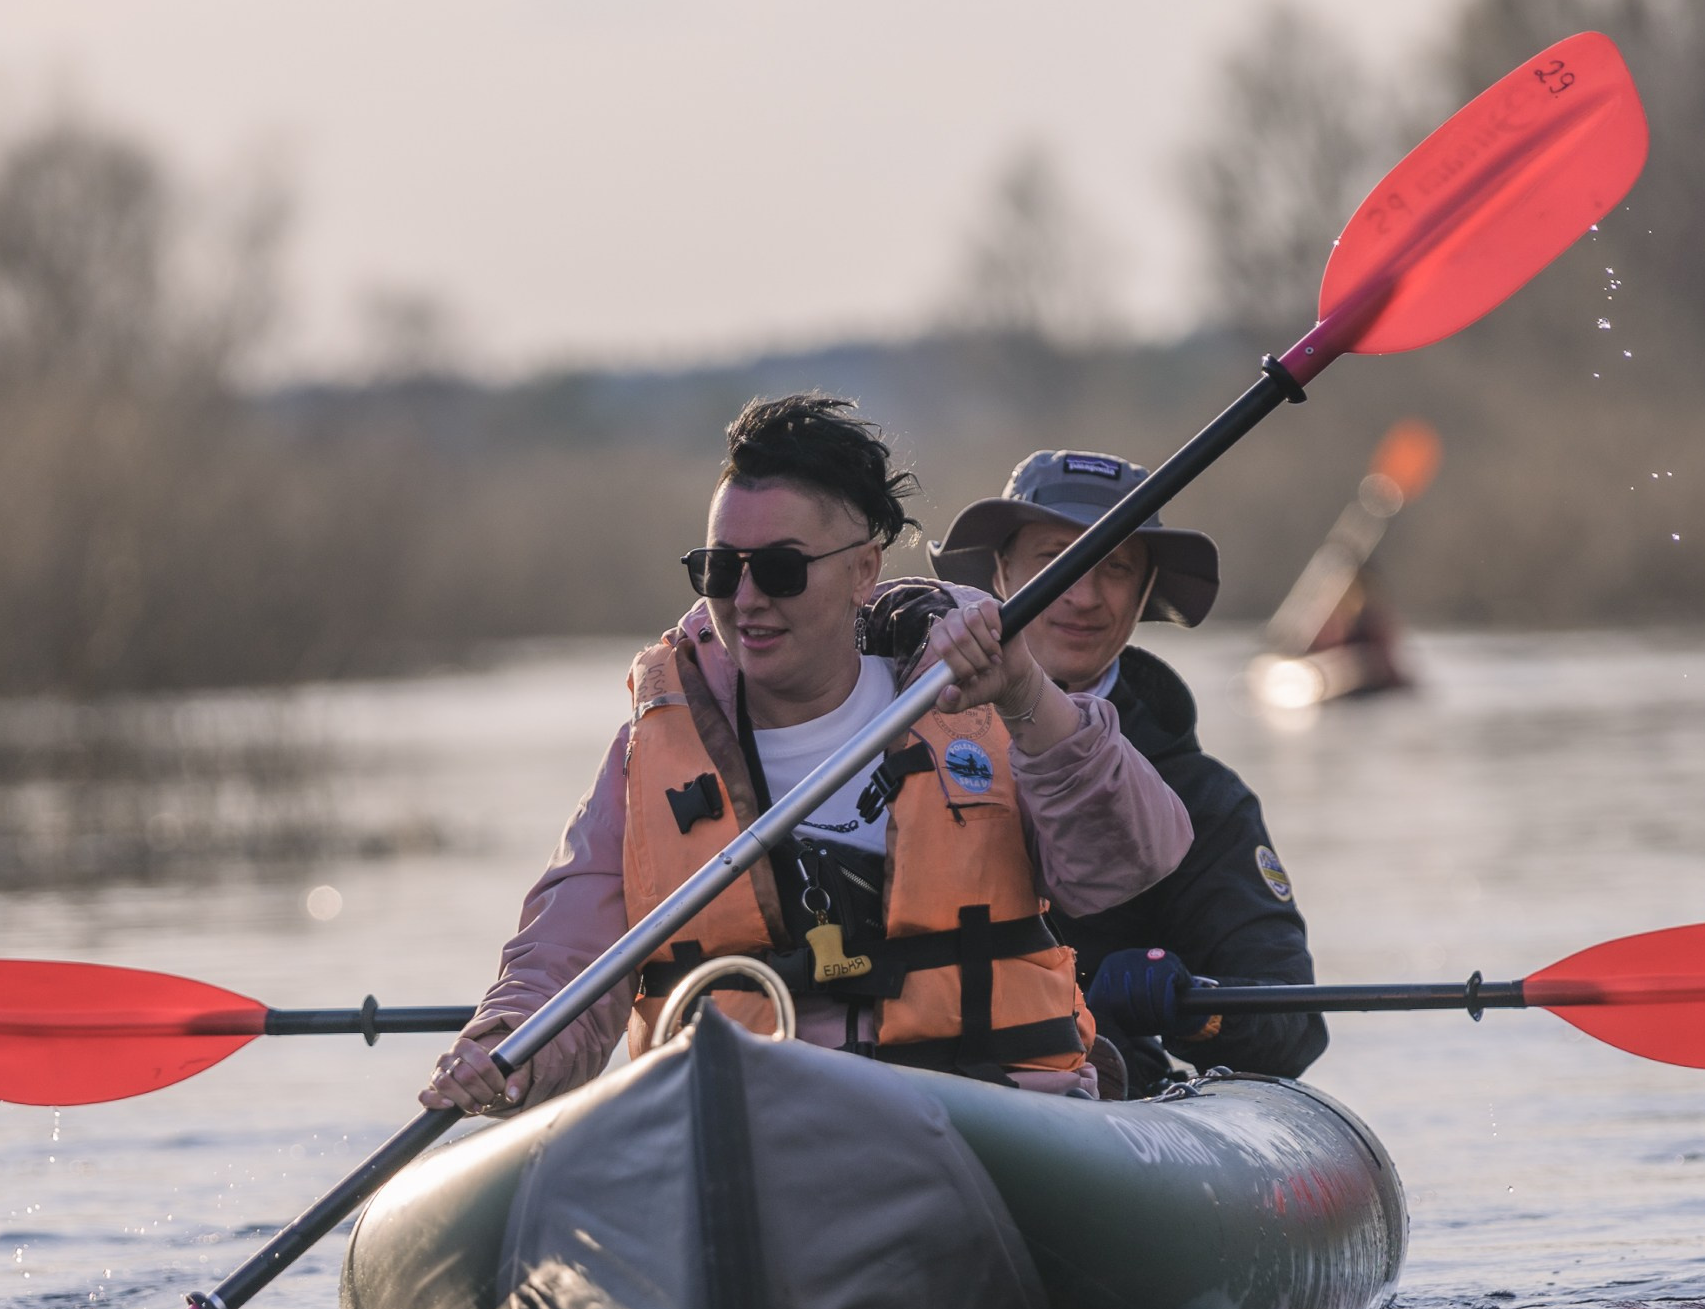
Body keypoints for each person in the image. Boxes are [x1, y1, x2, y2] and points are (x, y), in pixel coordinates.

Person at [423, 395, 1193, 1114]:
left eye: (781, 570)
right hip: (747, 1121)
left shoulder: (984, 702)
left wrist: (1028, 695)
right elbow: (563, 961)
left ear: (864, 570)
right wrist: (508, 1045)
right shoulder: (647, 753)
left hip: (987, 1112)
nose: (746, 599)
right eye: (721, 569)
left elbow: (1125, 862)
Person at [937, 448, 1327, 1087]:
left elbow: (1293, 1026)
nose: (1083, 595)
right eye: (1055, 560)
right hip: (908, 1073)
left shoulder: (1203, 797)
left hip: (1100, 1101)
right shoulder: (902, 733)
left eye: (1115, 567)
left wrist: (1195, 1003)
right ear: (1001, 571)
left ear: (1145, 591)